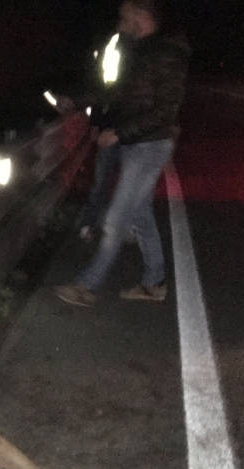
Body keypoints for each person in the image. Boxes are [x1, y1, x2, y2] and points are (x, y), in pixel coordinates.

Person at [54, 0, 190, 307]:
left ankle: (86, 286)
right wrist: (75, 101)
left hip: (149, 145)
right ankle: (154, 283)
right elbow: (116, 93)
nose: (119, 20)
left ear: (141, 15)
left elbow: (166, 111)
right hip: (136, 144)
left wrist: (119, 133)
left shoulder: (166, 53)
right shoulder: (139, 50)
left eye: (124, 15)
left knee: (117, 219)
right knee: (139, 214)